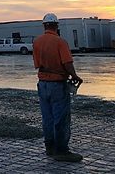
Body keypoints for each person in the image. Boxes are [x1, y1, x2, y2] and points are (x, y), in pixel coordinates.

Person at [33, 13, 84, 162]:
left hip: (42, 85)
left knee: (47, 118)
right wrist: (75, 76)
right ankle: (61, 151)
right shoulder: (60, 42)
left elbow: (37, 64)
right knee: (61, 118)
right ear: (56, 26)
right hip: (57, 85)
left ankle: (50, 148)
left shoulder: (37, 42)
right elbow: (67, 63)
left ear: (44, 26)